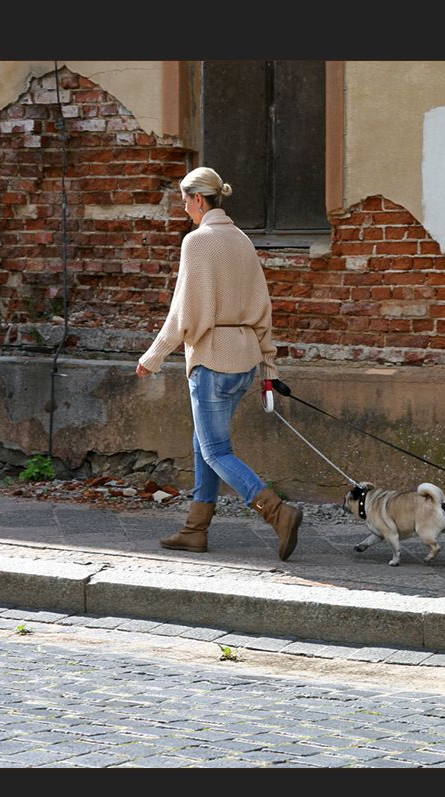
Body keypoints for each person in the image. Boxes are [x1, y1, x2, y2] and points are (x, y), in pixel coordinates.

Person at [136, 167, 302, 560]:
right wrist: (269, 366)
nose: (183, 208)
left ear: (199, 199)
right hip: (243, 360)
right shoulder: (242, 240)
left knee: (215, 450)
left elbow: (183, 313)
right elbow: (264, 309)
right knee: (204, 444)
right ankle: (195, 529)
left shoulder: (198, 242)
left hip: (211, 360)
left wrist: (153, 355)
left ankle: (277, 512)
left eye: (184, 200)